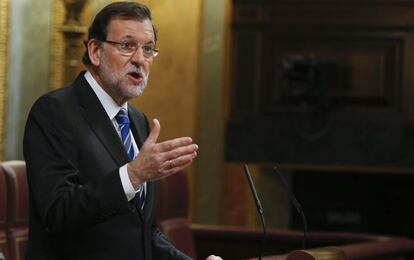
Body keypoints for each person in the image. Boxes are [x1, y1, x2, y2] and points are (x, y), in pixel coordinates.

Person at [23, 2, 221, 259]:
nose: (140, 59)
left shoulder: (138, 121)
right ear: (95, 51)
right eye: (127, 46)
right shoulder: (54, 111)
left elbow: (141, 232)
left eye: (148, 49)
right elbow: (57, 211)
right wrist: (133, 174)